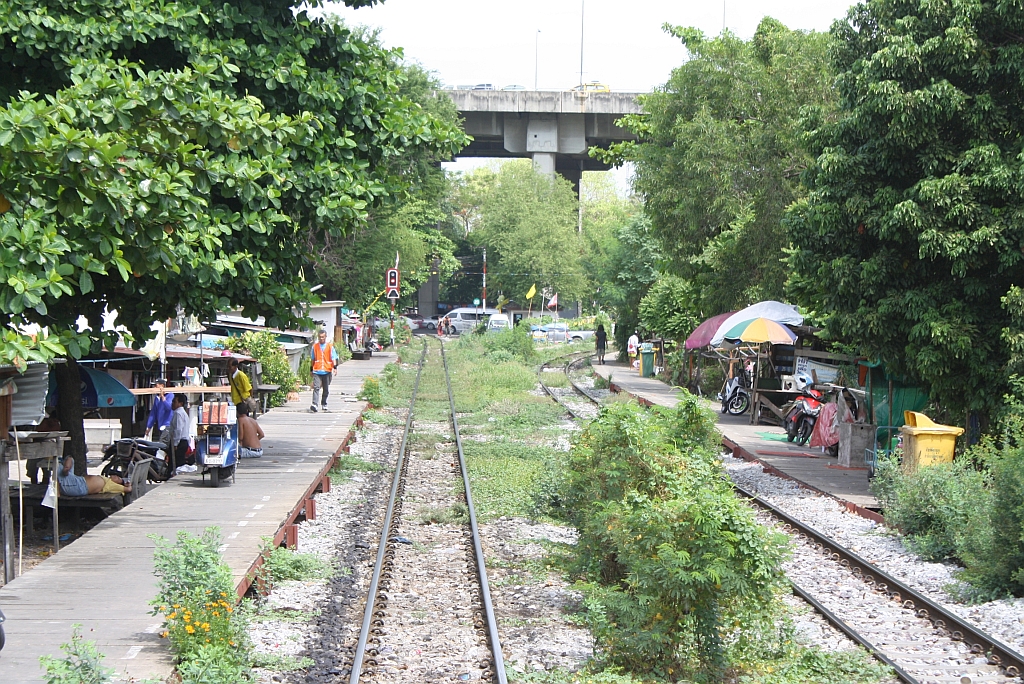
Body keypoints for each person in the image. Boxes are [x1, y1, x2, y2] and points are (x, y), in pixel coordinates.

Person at [56, 455, 131, 496]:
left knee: (57, 464)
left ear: (117, 483)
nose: (116, 476)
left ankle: (63, 470)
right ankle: (66, 469)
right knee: (70, 458)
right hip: (76, 481)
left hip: (77, 487)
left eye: (118, 478)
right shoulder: (106, 479)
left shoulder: (111, 485)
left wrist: (128, 485)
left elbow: (128, 489)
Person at [310, 329, 339, 413]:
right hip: (317, 370)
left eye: (323, 337)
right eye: (320, 337)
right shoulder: (315, 347)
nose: (321, 338)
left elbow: (334, 357)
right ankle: (314, 404)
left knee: (326, 389)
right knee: (316, 387)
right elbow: (312, 359)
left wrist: (335, 367)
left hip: (327, 370)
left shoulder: (330, 346)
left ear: (325, 337)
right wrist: (311, 369)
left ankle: (324, 403)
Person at [167, 393, 190, 476]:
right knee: (178, 463)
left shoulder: (178, 413)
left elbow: (178, 429)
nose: (172, 404)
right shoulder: (183, 413)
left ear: (180, 403)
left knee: (175, 464)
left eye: (174, 402)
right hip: (183, 441)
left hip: (179, 442)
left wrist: (175, 444)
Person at [145, 377, 174, 443]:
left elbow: (169, 407)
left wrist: (163, 397)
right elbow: (153, 414)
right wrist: (148, 427)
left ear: (162, 386)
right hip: (160, 426)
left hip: (168, 426)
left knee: (163, 446)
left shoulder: (170, 395)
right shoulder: (157, 398)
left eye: (156, 385)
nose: (155, 388)